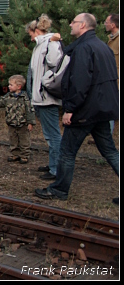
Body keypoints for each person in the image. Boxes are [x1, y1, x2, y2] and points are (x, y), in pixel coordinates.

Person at [35, 13, 119, 201]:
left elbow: (79, 82)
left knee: (67, 152)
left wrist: (70, 109)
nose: (70, 24)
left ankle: (59, 190)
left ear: (82, 25)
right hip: (103, 109)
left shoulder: (84, 48)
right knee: (110, 151)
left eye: (73, 22)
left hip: (86, 110)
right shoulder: (102, 46)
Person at [25, 14, 63, 181]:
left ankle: (56, 169)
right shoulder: (40, 45)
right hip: (40, 97)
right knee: (49, 134)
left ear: (36, 31)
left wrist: (54, 42)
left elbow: (54, 63)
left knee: (53, 135)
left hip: (46, 98)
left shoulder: (50, 43)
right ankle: (53, 164)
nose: (30, 37)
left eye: (30, 33)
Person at [0, 74, 35, 163]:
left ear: (19, 86)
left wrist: (30, 122)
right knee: (13, 139)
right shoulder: (8, 96)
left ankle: (24, 155)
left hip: (23, 123)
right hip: (11, 122)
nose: (9, 86)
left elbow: (29, 110)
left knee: (24, 140)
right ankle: (15, 154)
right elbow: (0, 102)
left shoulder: (25, 98)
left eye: (11, 85)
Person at [105, 14, 119, 134]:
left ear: (113, 25)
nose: (104, 24)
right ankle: (105, 135)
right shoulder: (111, 38)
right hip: (112, 79)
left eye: (106, 22)